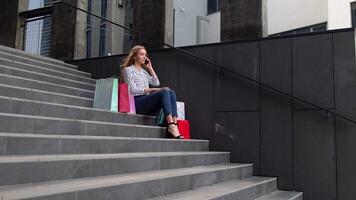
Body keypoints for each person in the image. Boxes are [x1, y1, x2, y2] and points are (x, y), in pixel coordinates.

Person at [121, 45, 184, 139]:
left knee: (171, 92)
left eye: (145, 55)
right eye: (142, 54)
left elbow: (156, 82)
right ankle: (170, 125)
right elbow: (132, 90)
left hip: (145, 101)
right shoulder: (128, 70)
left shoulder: (143, 72)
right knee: (163, 92)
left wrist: (150, 67)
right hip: (136, 103)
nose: (144, 57)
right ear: (134, 56)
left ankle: (174, 124)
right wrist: (154, 90)